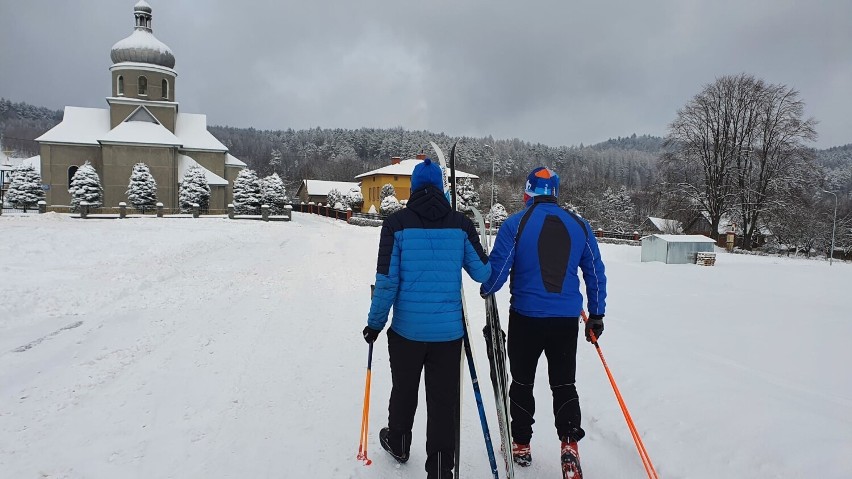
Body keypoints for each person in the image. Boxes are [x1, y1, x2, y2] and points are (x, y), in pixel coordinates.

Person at [362, 157, 491, 479]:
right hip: (448, 336)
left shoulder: (396, 224)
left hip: (406, 332)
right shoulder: (460, 224)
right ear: (442, 189)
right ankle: (439, 468)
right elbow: (482, 272)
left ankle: (400, 442)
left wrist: (375, 323)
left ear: (415, 187)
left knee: (404, 390)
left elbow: (388, 282)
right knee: (443, 402)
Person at [479, 166, 606, 479]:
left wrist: (486, 287)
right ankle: (569, 446)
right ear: (556, 193)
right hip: (564, 321)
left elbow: (496, 274)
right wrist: (597, 314)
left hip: (526, 318)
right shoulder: (580, 225)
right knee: (564, 383)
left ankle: (521, 444)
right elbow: (594, 272)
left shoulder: (515, 224)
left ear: (528, 192)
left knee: (522, 382)